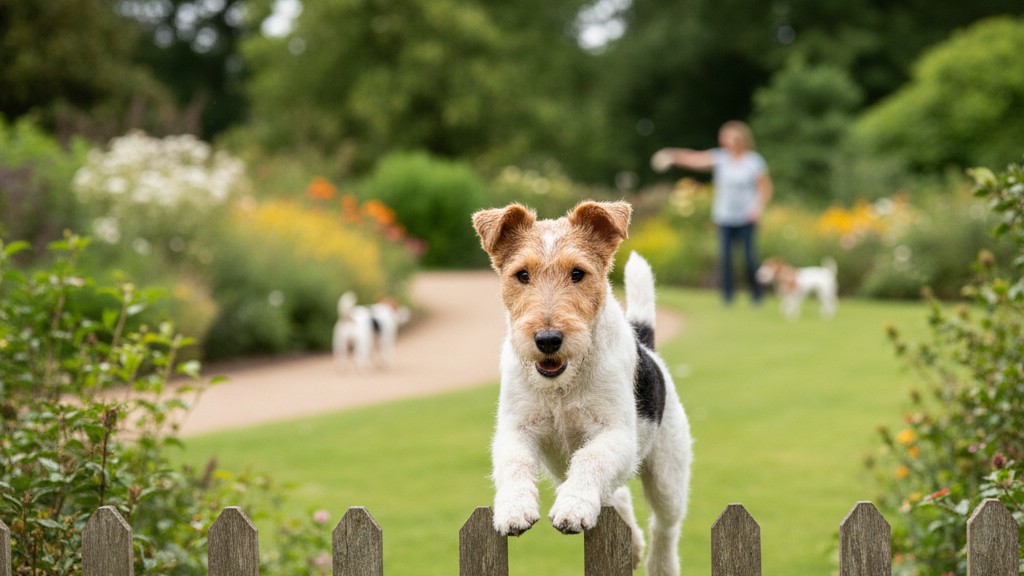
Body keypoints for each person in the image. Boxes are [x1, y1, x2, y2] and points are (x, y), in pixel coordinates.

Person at [651, 120, 773, 306]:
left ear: (740, 138)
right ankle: (727, 299)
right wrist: (672, 155)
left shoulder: (753, 161)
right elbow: (694, 159)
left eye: (728, 137)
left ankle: (756, 297)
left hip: (747, 217)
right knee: (726, 259)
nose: (724, 141)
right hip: (724, 217)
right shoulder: (721, 158)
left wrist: (757, 208)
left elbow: (765, 188)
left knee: (749, 258)